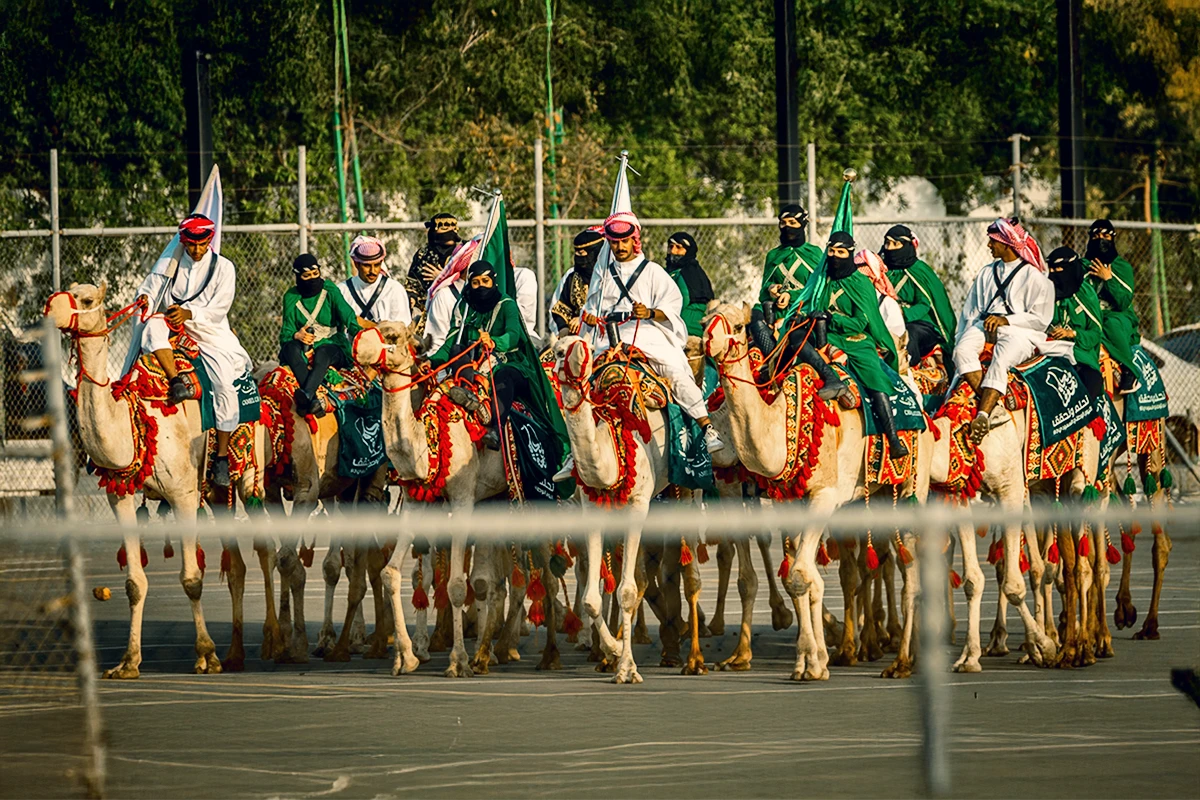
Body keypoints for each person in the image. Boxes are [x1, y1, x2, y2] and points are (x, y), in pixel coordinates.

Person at [572, 211, 725, 463]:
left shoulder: (653, 271)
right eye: (614, 242)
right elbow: (592, 307)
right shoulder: (603, 273)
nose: (620, 247)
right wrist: (588, 316)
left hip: (647, 336)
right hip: (608, 339)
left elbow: (673, 308)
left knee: (676, 374)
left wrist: (650, 312)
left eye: (624, 241)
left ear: (635, 240)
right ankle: (575, 453)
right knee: (578, 386)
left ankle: (706, 427)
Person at [135, 213, 254, 487]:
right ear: (184, 241)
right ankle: (175, 379)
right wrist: (146, 299)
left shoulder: (224, 267)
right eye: (192, 245)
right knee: (150, 331)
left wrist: (189, 314)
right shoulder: (169, 263)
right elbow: (150, 290)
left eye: (202, 244)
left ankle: (222, 457)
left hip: (210, 334)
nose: (197, 250)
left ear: (209, 240)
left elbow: (219, 309)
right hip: (172, 327)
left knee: (225, 382)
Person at [797, 233, 909, 456]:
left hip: (854, 339)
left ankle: (893, 438)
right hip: (824, 335)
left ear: (849, 253)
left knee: (874, 377)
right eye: (831, 251)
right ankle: (830, 379)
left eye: (841, 252)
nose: (835, 257)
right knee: (793, 346)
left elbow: (861, 322)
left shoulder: (860, 283)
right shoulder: (821, 280)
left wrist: (832, 318)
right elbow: (808, 303)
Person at [429, 261, 550, 452]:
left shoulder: (507, 304)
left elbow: (514, 335)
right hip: (474, 365)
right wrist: (431, 363)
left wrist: (494, 341)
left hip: (509, 362)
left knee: (504, 375)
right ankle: (470, 398)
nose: (481, 286)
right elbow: (451, 341)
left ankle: (496, 429)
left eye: (486, 281)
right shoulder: (464, 306)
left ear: (494, 281)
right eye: (476, 282)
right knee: (456, 352)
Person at [953, 217, 1054, 443]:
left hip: (1021, 332)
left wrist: (1007, 321)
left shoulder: (1034, 277)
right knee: (961, 351)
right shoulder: (986, 273)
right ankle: (993, 403)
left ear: (1007, 244)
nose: (989, 246)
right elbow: (970, 311)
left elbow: (1041, 319)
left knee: (1001, 358)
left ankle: (983, 414)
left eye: (993, 241)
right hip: (986, 325)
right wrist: (965, 335)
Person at [279, 254, 371, 417]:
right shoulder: (291, 297)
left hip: (333, 344)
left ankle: (307, 394)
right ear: (298, 277)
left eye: (315, 274)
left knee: (323, 353)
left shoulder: (329, 290)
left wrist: (361, 336)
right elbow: (286, 333)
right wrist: (297, 335)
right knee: (290, 349)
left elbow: (348, 316)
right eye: (306, 276)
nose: (312, 279)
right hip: (304, 347)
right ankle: (313, 400)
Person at [748, 204, 824, 357]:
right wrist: (771, 290)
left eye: (792, 223)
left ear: (802, 224)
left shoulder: (814, 253)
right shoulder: (773, 255)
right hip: (776, 311)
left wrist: (791, 296)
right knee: (754, 316)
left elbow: (819, 289)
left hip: (803, 309)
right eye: (783, 223)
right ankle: (772, 358)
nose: (787, 227)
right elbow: (763, 292)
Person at [879, 225, 957, 366]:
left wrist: (903, 313)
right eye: (887, 243)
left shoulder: (919, 270)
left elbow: (924, 304)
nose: (889, 248)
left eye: (895, 244)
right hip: (886, 319)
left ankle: (907, 369)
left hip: (920, 323)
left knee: (909, 333)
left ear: (906, 245)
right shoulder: (881, 269)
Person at [1086, 218, 1141, 394]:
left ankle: (1129, 371)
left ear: (1112, 239)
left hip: (1118, 315)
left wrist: (1107, 278)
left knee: (1110, 324)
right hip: (1092, 314)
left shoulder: (1122, 267)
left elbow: (1124, 301)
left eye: (1105, 236)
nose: (1100, 239)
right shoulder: (1083, 265)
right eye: (1096, 236)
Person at [1043, 246, 1105, 398]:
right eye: (1052, 270)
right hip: (1050, 352)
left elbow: (1095, 334)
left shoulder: (1084, 294)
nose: (1055, 275)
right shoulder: (1046, 291)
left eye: (1059, 270)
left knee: (1090, 386)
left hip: (1081, 357)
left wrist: (1071, 333)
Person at [406, 212, 462, 330]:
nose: (451, 232)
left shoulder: (462, 253)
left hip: (457, 308)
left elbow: (469, 280)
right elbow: (412, 283)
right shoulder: (423, 254)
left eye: (453, 227)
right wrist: (411, 297)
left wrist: (442, 278)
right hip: (427, 312)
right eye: (445, 227)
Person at [338, 235, 411, 325]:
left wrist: (364, 324)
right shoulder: (342, 291)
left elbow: (401, 330)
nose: (373, 271)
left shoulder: (394, 290)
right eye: (367, 265)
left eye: (376, 265)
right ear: (357, 264)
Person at [550, 227, 604, 335]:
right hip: (576, 336)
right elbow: (561, 310)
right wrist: (563, 328)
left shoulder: (609, 278)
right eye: (577, 254)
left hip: (605, 336)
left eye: (584, 255)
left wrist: (582, 320)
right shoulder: (573, 278)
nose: (580, 260)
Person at [663, 232, 715, 338]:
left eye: (678, 247)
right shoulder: (670, 271)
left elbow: (682, 301)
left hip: (687, 324)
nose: (673, 251)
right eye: (670, 247)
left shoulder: (687, 272)